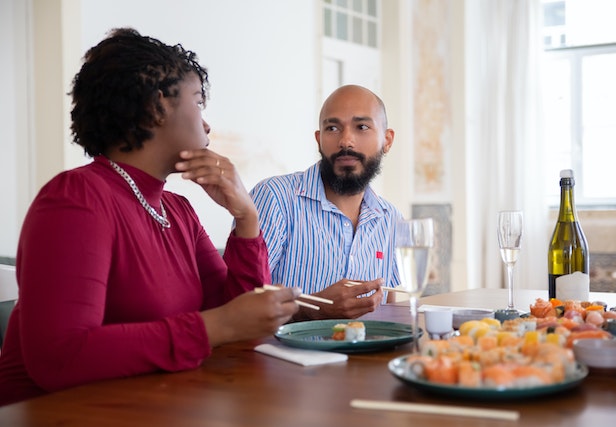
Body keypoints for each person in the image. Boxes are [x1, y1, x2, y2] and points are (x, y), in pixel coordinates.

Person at [0, 28, 299, 406]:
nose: (207, 125)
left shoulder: (178, 210)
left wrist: (246, 218)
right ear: (158, 106)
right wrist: (217, 326)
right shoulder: (76, 199)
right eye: (198, 102)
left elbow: (241, 326)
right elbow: (59, 358)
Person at [249, 85, 403, 321]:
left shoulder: (390, 217)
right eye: (332, 128)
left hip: (366, 356)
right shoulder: (275, 198)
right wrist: (315, 308)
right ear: (319, 140)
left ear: (387, 140)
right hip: (284, 356)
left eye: (362, 127)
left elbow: (389, 307)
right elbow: (244, 302)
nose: (346, 141)